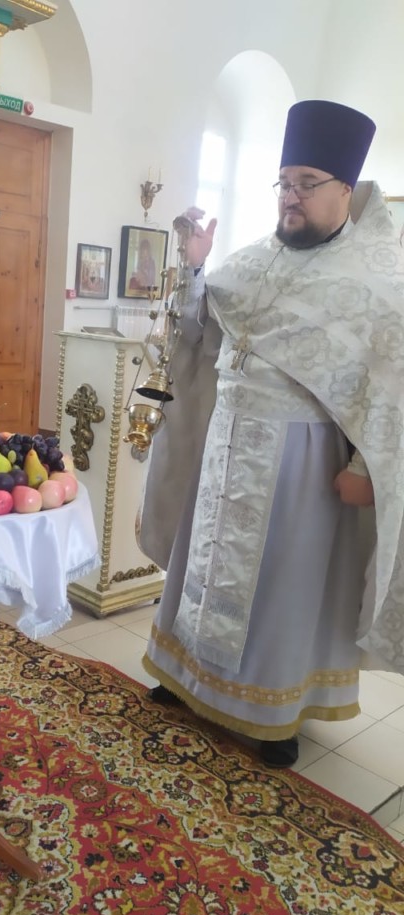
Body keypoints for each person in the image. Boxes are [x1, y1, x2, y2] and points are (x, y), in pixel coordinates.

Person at [139, 99, 404, 767]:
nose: (291, 197)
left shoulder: (377, 283)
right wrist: (194, 268)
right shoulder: (252, 261)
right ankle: (184, 675)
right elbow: (198, 334)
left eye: (306, 184)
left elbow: (391, 382)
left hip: (299, 459)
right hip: (225, 443)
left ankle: (273, 713)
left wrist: (366, 469)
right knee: (203, 564)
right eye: (284, 183)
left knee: (285, 583)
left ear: (345, 188)